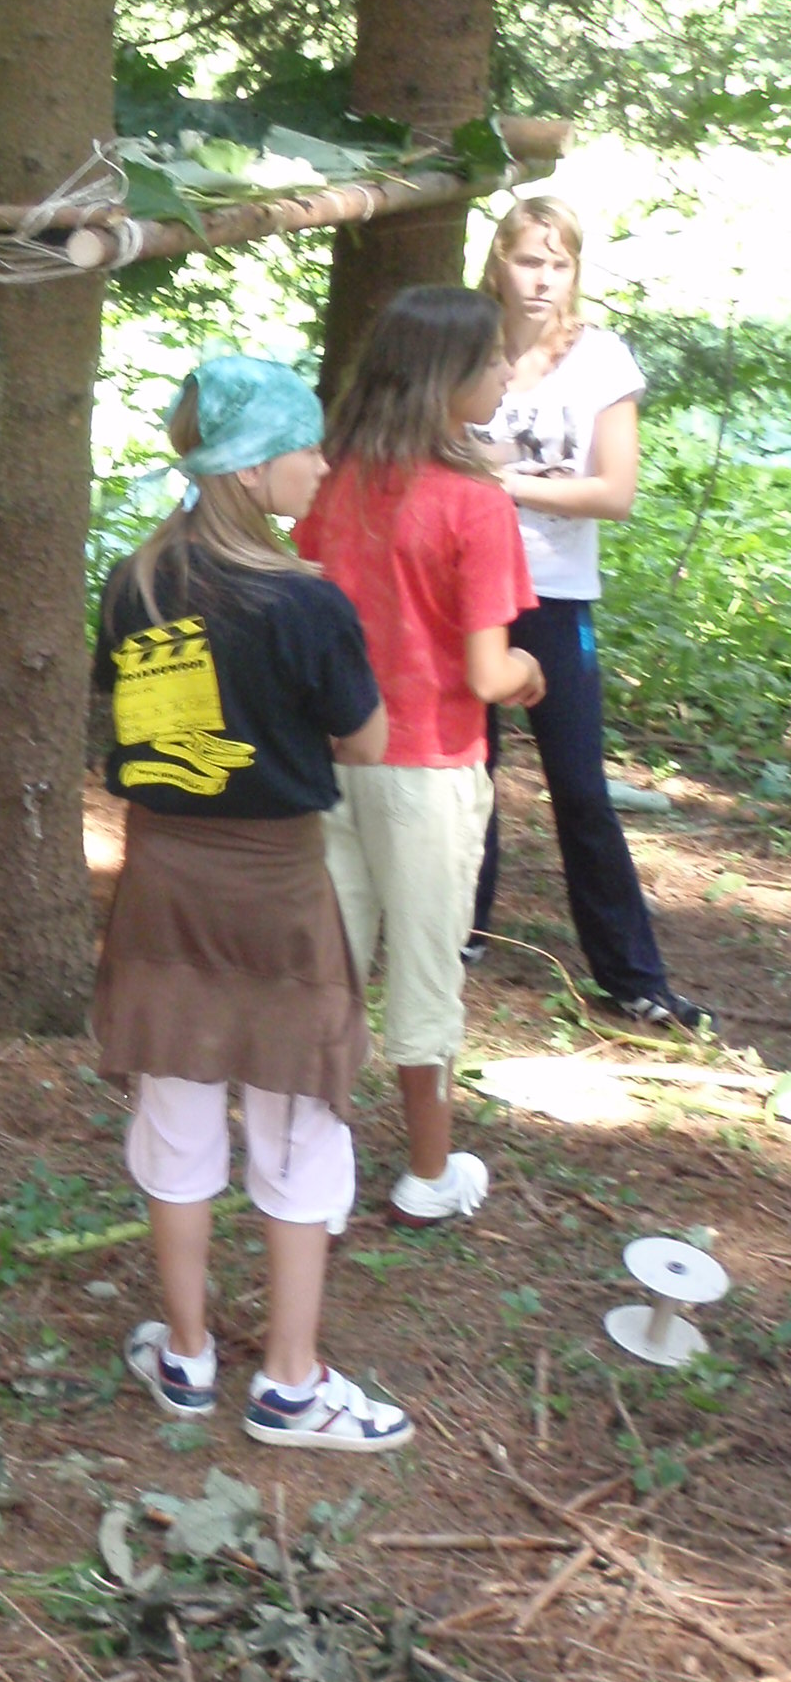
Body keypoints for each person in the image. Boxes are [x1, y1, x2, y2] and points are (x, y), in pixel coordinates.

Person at [93, 356, 411, 1453]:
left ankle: (186, 1357)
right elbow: (365, 741)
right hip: (275, 891)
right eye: (305, 447)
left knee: (174, 1114)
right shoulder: (306, 602)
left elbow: (146, 736)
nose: (322, 466)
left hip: (164, 886)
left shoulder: (135, 586)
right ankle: (289, 1384)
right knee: (297, 1122)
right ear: (250, 465)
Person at [298, 287, 544, 1225]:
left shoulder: (334, 481)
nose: (508, 371)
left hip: (330, 759)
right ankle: (429, 1174)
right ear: (448, 380)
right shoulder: (476, 503)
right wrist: (528, 672)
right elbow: (486, 671)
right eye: (493, 360)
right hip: (430, 770)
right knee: (427, 971)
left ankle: (309, 1178)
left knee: (329, 968)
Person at [467, 198, 714, 1031]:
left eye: (559, 263)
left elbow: (615, 492)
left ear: (574, 271)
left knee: (578, 786)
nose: (542, 279)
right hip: (461, 587)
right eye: (528, 260)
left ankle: (634, 976)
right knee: (466, 770)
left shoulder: (599, 358)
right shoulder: (467, 345)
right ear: (498, 262)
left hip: (554, 591)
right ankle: (458, 933)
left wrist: (505, 484)